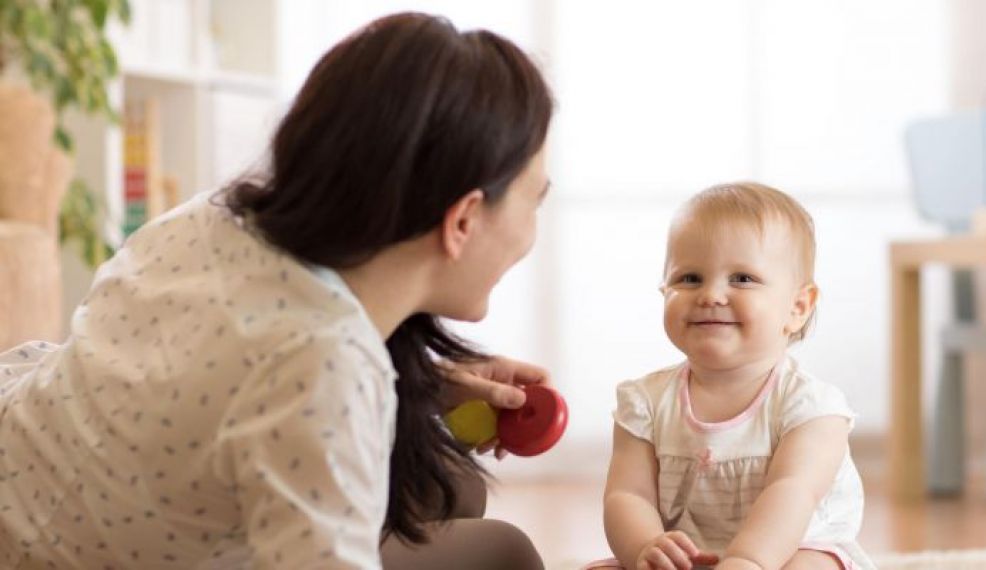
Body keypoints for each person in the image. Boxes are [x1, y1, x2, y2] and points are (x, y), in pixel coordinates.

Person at [0, 12, 551, 569]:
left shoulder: (226, 215)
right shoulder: (324, 370)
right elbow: (299, 381)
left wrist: (430, 385)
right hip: (66, 555)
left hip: (32, 465)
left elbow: (243, 371)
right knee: (505, 553)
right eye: (535, 201)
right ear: (463, 221)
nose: (533, 230)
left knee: (451, 482)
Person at [595, 183, 874, 570]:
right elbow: (628, 495)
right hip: (689, 557)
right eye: (689, 278)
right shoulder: (645, 402)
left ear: (797, 306)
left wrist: (748, 560)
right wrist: (646, 547)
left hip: (786, 551)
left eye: (742, 278)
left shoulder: (811, 408)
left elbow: (792, 492)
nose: (710, 295)